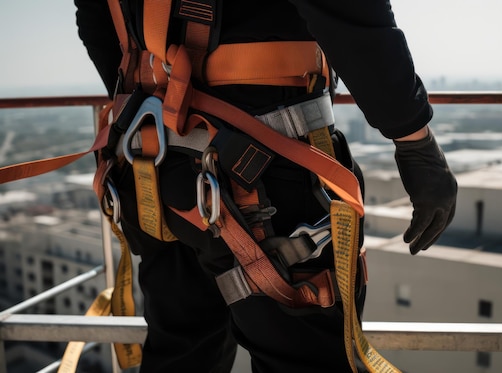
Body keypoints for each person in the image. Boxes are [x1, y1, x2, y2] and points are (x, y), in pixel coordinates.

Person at [74, 0, 457, 372]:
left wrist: (157, 102)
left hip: (151, 166)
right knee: (303, 358)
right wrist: (413, 138)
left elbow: (95, 16)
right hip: (260, 169)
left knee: (183, 349)